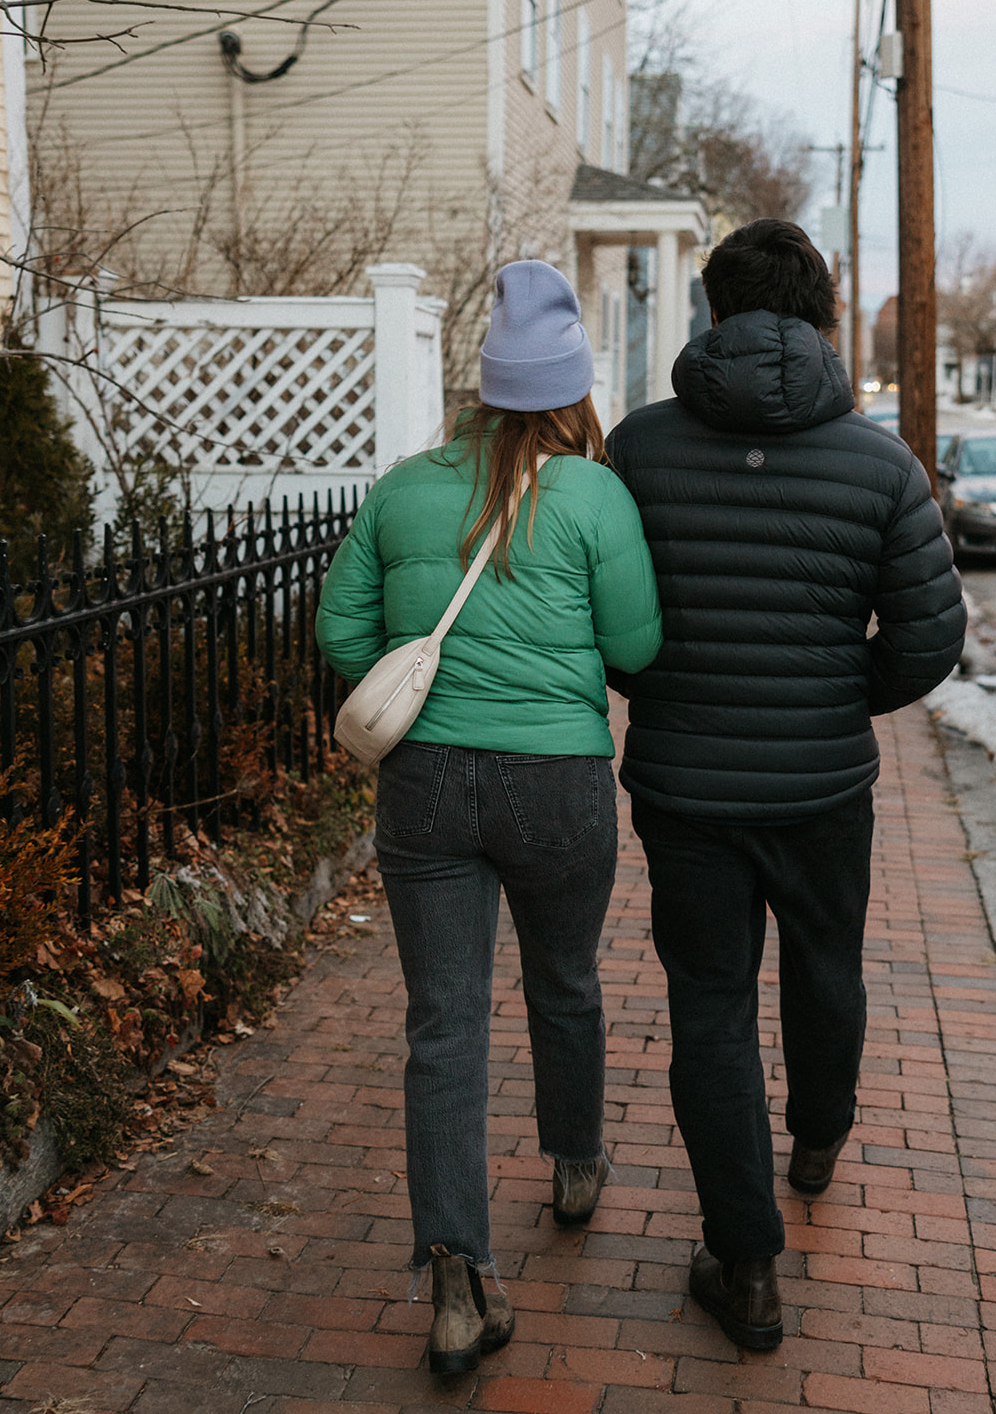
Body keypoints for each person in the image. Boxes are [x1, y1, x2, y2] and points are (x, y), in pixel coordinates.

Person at [605, 219, 966, 1352]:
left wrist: (655, 683)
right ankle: (819, 1134)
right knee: (826, 962)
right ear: (816, 315)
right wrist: (836, 696)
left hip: (685, 786)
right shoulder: (881, 461)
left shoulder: (639, 449)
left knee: (710, 1008)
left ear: (713, 311)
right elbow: (930, 633)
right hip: (821, 787)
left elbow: (609, 619)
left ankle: (747, 1266)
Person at [316, 260, 662, 1376]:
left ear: (480, 386)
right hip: (557, 781)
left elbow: (339, 633)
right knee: (563, 978)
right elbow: (638, 649)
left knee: (444, 1021)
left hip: (423, 782)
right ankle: (573, 1165)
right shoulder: (596, 495)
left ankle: (458, 1277)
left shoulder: (404, 485)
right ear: (571, 387)